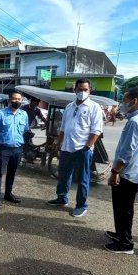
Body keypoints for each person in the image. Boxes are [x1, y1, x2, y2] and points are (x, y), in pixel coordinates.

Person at [104, 88, 138, 254]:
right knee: (124, 208)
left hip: (127, 172)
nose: (122, 104)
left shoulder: (135, 121)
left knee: (123, 209)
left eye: (124, 100)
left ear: (133, 101)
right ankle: (120, 235)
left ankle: (125, 244)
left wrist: (115, 172)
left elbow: (127, 152)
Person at [47, 79, 103, 217]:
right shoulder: (69, 107)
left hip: (83, 149)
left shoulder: (95, 107)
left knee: (83, 178)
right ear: (74, 90)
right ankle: (61, 198)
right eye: (80, 89)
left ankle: (81, 205)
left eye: (85, 89)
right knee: (64, 175)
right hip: (67, 147)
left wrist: (87, 147)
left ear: (90, 91)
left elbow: (96, 131)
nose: (82, 92)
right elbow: (63, 128)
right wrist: (58, 144)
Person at [0, 91, 29, 210]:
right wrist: (0, 140)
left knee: (12, 173)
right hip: (4, 149)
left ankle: (8, 194)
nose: (16, 101)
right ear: (9, 100)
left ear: (21, 101)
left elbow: (25, 130)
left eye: (19, 99)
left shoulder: (24, 115)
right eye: (14, 99)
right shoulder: (1, 114)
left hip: (17, 149)